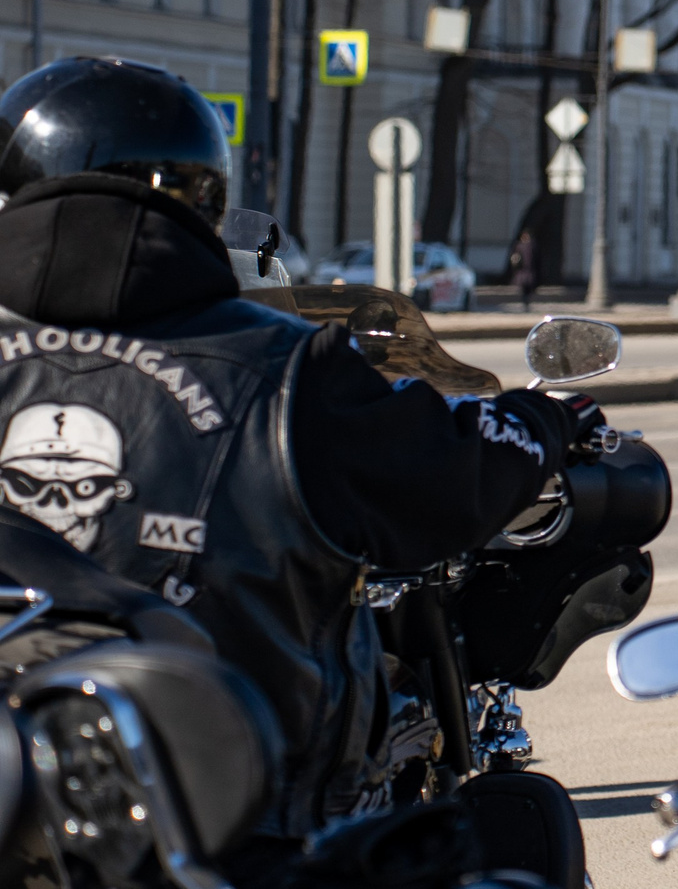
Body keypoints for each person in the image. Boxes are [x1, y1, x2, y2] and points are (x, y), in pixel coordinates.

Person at [0, 58, 604, 833]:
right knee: (523, 876)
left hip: (21, 824)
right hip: (244, 837)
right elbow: (453, 477)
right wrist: (548, 420)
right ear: (203, 200)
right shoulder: (288, 367)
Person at [509, 224, 540, 311]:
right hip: (523, 271)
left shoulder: (533, 245)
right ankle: (525, 302)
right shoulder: (519, 245)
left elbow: (536, 259)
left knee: (529, 287)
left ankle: (527, 301)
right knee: (523, 287)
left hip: (529, 271)